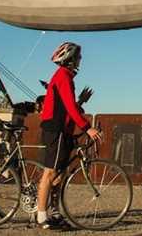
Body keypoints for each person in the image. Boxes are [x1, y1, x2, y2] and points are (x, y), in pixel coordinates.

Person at [36, 42, 101, 229]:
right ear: (70, 59)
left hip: (62, 130)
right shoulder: (63, 76)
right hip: (55, 130)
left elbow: (69, 106)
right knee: (50, 173)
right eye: (78, 57)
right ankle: (42, 217)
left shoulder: (65, 77)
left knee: (59, 174)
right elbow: (69, 107)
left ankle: (55, 213)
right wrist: (87, 127)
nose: (80, 60)